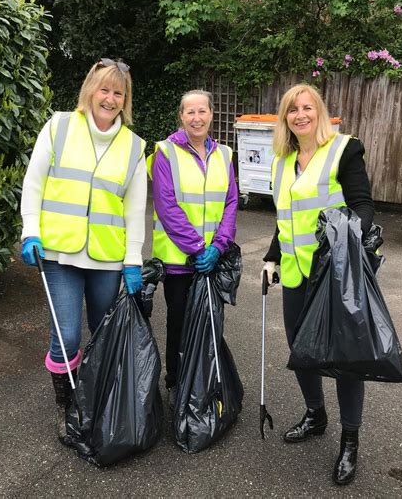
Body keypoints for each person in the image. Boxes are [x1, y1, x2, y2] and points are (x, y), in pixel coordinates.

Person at [20, 58, 147, 441]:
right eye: (104, 89)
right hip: (58, 253)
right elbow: (34, 183)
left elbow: (135, 210)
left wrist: (133, 260)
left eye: (118, 93)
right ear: (90, 89)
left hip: (107, 258)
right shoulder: (59, 126)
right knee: (67, 335)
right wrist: (30, 231)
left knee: (103, 333)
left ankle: (96, 392)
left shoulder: (134, 146)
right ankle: (68, 405)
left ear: (125, 100)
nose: (109, 98)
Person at [261, 83, 374, 486]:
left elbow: (362, 205)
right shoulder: (282, 160)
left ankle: (349, 440)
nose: (301, 115)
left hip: (335, 275)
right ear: (286, 118)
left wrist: (344, 239)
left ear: (319, 112)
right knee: (302, 349)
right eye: (293, 109)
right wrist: (272, 256)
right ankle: (316, 415)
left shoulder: (345, 149)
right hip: (295, 273)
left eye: (308, 107)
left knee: (345, 358)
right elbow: (286, 216)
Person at [148, 89, 238, 409]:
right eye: (190, 112)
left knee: (210, 321)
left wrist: (219, 246)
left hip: (213, 259)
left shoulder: (224, 155)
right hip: (179, 261)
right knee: (179, 321)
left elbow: (230, 202)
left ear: (212, 114)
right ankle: (175, 382)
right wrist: (199, 247)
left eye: (202, 111)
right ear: (181, 117)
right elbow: (167, 205)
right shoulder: (165, 153)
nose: (196, 118)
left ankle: (204, 380)